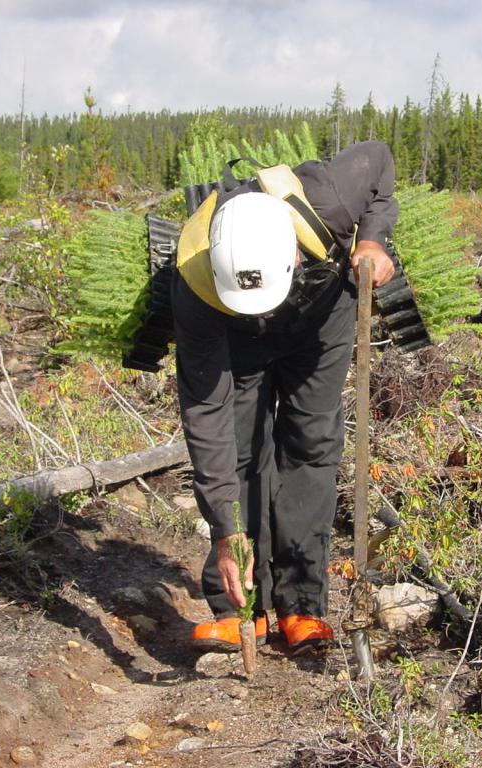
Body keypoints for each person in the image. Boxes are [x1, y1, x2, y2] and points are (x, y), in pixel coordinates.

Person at [172, 141, 398, 651]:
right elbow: (205, 414)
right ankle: (240, 608)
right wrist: (227, 530)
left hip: (322, 321)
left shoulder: (331, 196)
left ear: (292, 251)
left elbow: (380, 161)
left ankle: (301, 605)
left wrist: (375, 240)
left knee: (311, 446)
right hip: (233, 338)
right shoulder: (195, 281)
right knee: (240, 448)